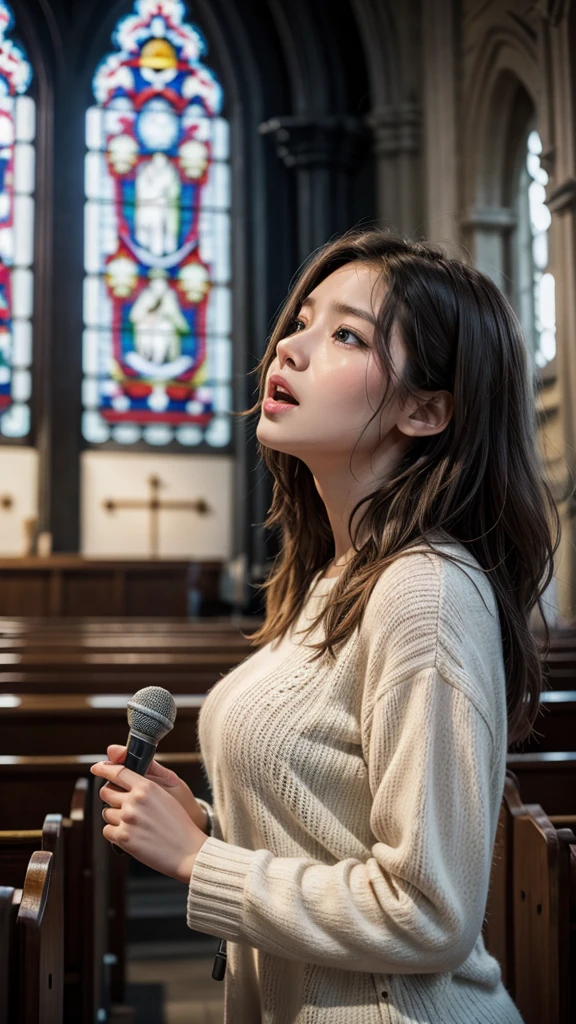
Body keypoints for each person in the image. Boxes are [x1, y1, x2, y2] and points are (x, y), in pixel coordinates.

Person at [92, 229, 560, 1023]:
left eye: (345, 334)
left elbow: (429, 913)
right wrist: (214, 824)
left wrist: (204, 860)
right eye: (302, 321)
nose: (290, 349)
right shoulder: (338, 577)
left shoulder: (426, 592)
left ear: (426, 410)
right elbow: (338, 827)